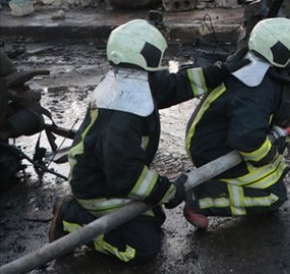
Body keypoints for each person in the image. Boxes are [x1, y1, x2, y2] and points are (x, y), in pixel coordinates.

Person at [48, 19, 249, 263]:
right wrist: (168, 190)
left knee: (154, 218)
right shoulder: (122, 115)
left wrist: (221, 70)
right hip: (99, 190)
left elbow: (177, 84)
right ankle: (72, 219)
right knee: (143, 249)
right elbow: (126, 175)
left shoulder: (129, 81)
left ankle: (106, 217)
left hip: (111, 179)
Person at [183, 18, 290, 229]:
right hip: (214, 152)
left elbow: (268, 107)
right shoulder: (254, 90)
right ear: (282, 54)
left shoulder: (253, 66)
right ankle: (201, 198)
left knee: (270, 173)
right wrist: (268, 152)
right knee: (273, 196)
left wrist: (289, 118)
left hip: (215, 139)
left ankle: (224, 185)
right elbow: (247, 138)